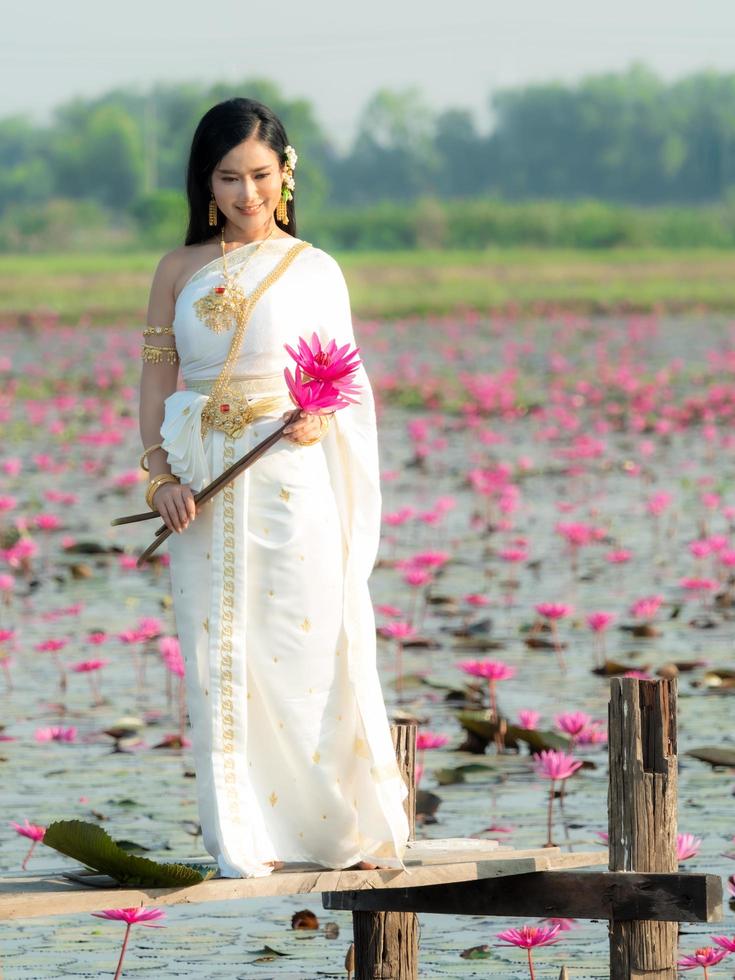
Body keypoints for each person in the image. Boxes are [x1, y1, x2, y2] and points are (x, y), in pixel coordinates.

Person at [137, 97, 410, 878]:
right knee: (219, 655)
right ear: (206, 181)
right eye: (228, 177)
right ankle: (246, 839)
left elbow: (342, 385)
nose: (245, 194)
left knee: (303, 648)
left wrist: (318, 422)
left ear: (285, 174)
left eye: (259, 175)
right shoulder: (177, 270)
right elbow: (158, 375)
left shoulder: (315, 270)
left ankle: (330, 833)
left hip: (289, 481)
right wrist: (158, 475)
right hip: (200, 486)